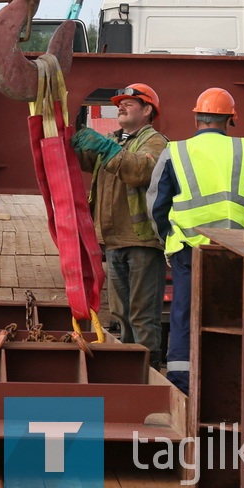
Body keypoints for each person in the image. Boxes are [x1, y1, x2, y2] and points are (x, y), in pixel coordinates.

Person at [147, 87, 244, 394]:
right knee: (234, 314)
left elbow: (157, 206)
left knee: (184, 313)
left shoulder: (175, 152)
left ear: (197, 119)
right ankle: (231, 382)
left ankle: (182, 383)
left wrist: (169, 239)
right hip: (235, 250)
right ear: (229, 120)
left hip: (187, 249)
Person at [71, 83, 168, 369]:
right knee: (121, 313)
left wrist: (104, 146)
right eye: (119, 102)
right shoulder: (117, 141)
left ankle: (148, 371)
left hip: (141, 242)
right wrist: (68, 140)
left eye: (129, 102)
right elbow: (83, 160)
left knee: (142, 315)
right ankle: (128, 368)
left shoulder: (155, 141)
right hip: (114, 241)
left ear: (147, 110)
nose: (120, 106)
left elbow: (140, 171)